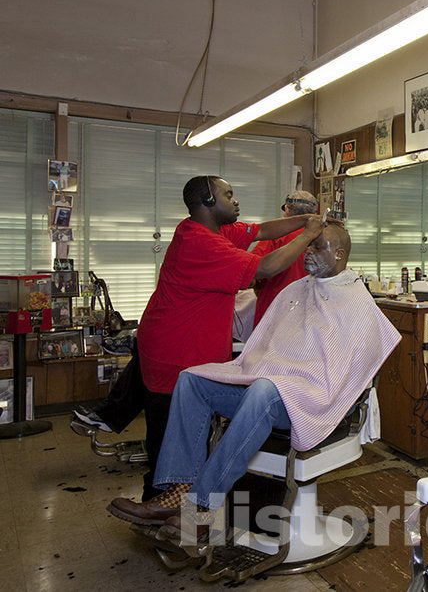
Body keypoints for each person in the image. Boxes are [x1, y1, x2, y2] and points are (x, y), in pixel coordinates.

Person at [107, 223, 401, 538]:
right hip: (272, 391)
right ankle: (179, 490)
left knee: (265, 390)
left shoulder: (357, 302)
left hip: (312, 401)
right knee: (192, 380)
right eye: (308, 246)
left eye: (319, 247)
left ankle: (202, 507)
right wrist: (271, 370)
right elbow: (267, 342)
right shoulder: (297, 290)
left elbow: (347, 371)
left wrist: (292, 381)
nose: (309, 253)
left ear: (340, 254)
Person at [133, 175, 325, 500]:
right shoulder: (202, 243)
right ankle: (162, 505)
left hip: (184, 345)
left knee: (191, 429)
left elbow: (262, 230)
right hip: (175, 350)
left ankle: (181, 501)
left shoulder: (212, 229)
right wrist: (306, 234)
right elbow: (264, 268)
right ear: (209, 201)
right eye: (229, 195)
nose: (236, 201)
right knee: (171, 433)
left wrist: (304, 220)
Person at [250, 190, 318, 327]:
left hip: (275, 312)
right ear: (314, 212)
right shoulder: (323, 237)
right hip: (311, 312)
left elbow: (251, 275)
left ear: (287, 209)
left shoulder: (273, 237)